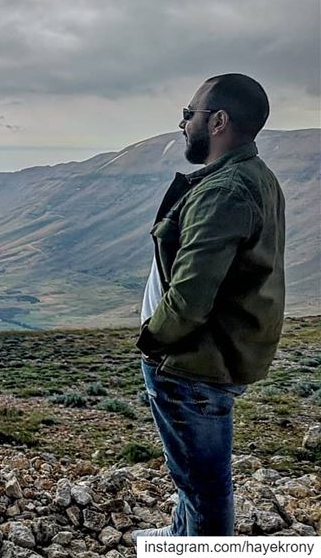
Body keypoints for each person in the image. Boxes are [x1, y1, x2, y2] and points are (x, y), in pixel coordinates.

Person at [133, 73, 285, 538]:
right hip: (207, 354)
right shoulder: (248, 177)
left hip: (192, 361)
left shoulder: (224, 191)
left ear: (218, 121)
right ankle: (182, 536)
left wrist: (152, 342)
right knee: (192, 474)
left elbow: (190, 299)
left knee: (204, 487)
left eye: (189, 114)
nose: (182, 124)